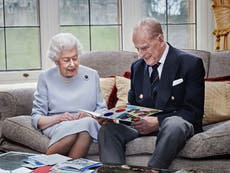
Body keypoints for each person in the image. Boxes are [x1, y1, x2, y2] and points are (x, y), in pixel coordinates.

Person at [99, 18, 205, 169]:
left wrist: (158, 122)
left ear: (160, 39)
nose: (141, 55)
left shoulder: (190, 63)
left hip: (172, 128)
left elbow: (194, 113)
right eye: (137, 49)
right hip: (141, 127)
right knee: (108, 130)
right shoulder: (137, 67)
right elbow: (133, 107)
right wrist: (115, 118)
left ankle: (152, 171)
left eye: (144, 48)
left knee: (174, 124)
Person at [31, 32, 107, 159]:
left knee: (85, 126)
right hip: (57, 124)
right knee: (80, 130)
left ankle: (42, 165)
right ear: (56, 61)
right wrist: (59, 118)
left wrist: (90, 115)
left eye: (75, 58)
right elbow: (37, 118)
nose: (72, 64)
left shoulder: (92, 75)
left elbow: (102, 111)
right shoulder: (46, 77)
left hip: (88, 123)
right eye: (66, 60)